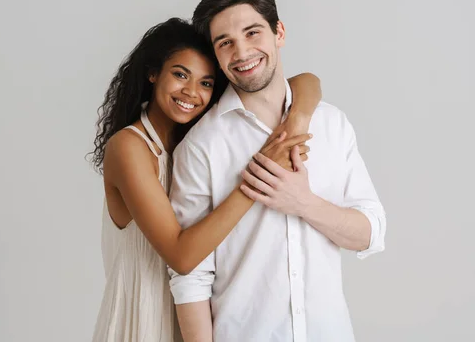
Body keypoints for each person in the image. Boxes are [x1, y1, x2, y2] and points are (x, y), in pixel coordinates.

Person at [168, 0, 387, 342]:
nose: (241, 52)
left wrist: (304, 203)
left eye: (253, 33)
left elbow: (371, 232)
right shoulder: (200, 146)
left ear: (279, 32)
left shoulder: (331, 123)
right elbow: (191, 278)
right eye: (226, 43)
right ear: (216, 56)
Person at [88, 17, 322, 342]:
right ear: (153, 73)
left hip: (196, 323)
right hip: (143, 323)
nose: (192, 92)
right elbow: (182, 257)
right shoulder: (130, 146)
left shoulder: (192, 144)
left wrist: (297, 119)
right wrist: (263, 171)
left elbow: (306, 81)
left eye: (206, 83)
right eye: (180, 74)